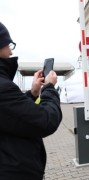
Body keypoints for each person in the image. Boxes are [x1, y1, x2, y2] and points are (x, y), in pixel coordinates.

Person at [0, 22, 62, 180]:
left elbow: (12, 115)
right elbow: (46, 120)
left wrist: (33, 93)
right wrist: (49, 87)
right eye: (8, 44)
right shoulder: (3, 87)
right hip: (14, 171)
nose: (11, 50)